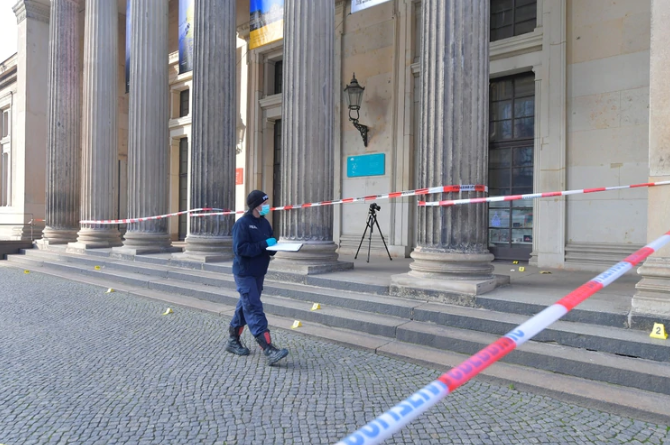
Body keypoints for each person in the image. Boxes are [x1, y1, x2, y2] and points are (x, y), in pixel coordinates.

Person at [225, 190, 289, 366]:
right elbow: (241, 249)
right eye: (264, 202)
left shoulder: (264, 223)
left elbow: (268, 247)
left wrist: (274, 245)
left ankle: (233, 340)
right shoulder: (242, 224)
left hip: (259, 272)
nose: (267, 205)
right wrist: (263, 245)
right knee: (253, 307)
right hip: (244, 273)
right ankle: (268, 348)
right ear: (256, 205)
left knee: (245, 305)